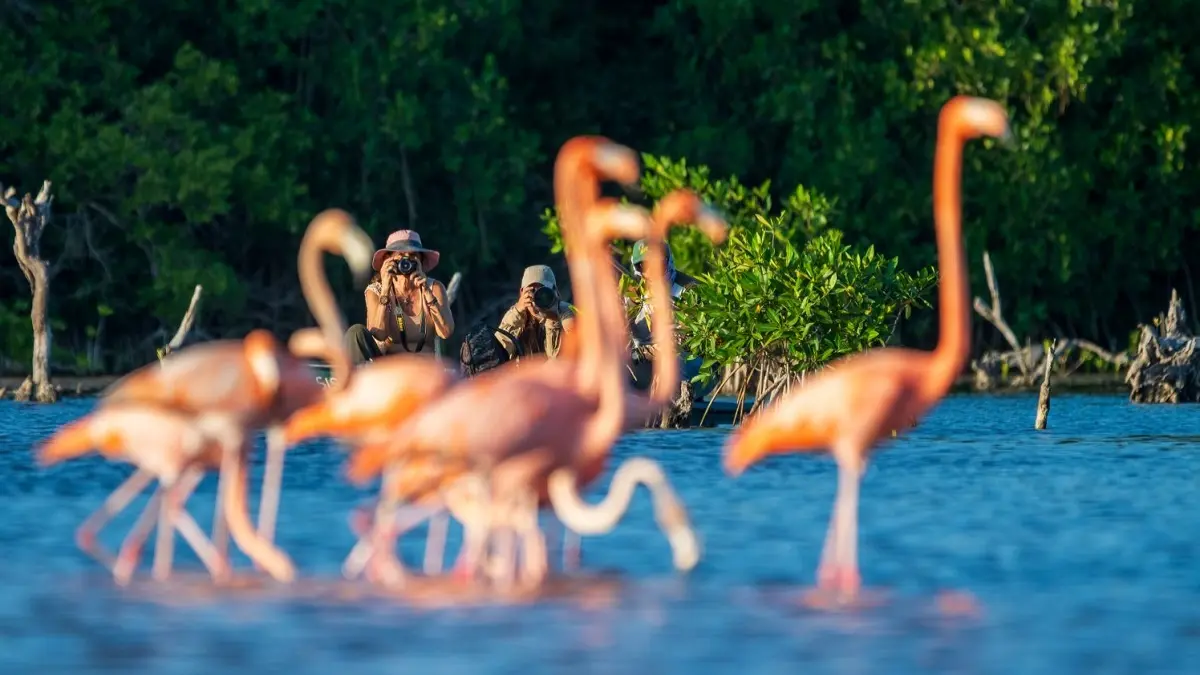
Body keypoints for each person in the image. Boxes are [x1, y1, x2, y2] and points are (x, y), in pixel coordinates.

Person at [344, 229, 455, 365]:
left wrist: (426, 291)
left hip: (425, 369)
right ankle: (358, 382)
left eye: (412, 256)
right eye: (401, 256)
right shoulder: (376, 291)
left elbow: (446, 332)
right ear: (388, 260)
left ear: (421, 260)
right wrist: (385, 289)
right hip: (389, 370)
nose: (406, 263)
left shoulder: (434, 288)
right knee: (355, 332)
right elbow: (379, 334)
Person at [625, 240, 712, 399]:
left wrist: (643, 353)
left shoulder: (691, 290)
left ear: (669, 262)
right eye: (643, 266)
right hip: (647, 366)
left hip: (694, 366)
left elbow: (686, 340)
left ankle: (677, 404)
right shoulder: (633, 295)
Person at [494, 265, 576, 361]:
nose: (538, 296)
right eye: (532, 290)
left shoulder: (566, 312)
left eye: (543, 290)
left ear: (554, 291)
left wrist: (553, 320)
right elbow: (497, 353)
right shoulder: (516, 316)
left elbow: (561, 359)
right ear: (522, 292)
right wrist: (517, 313)